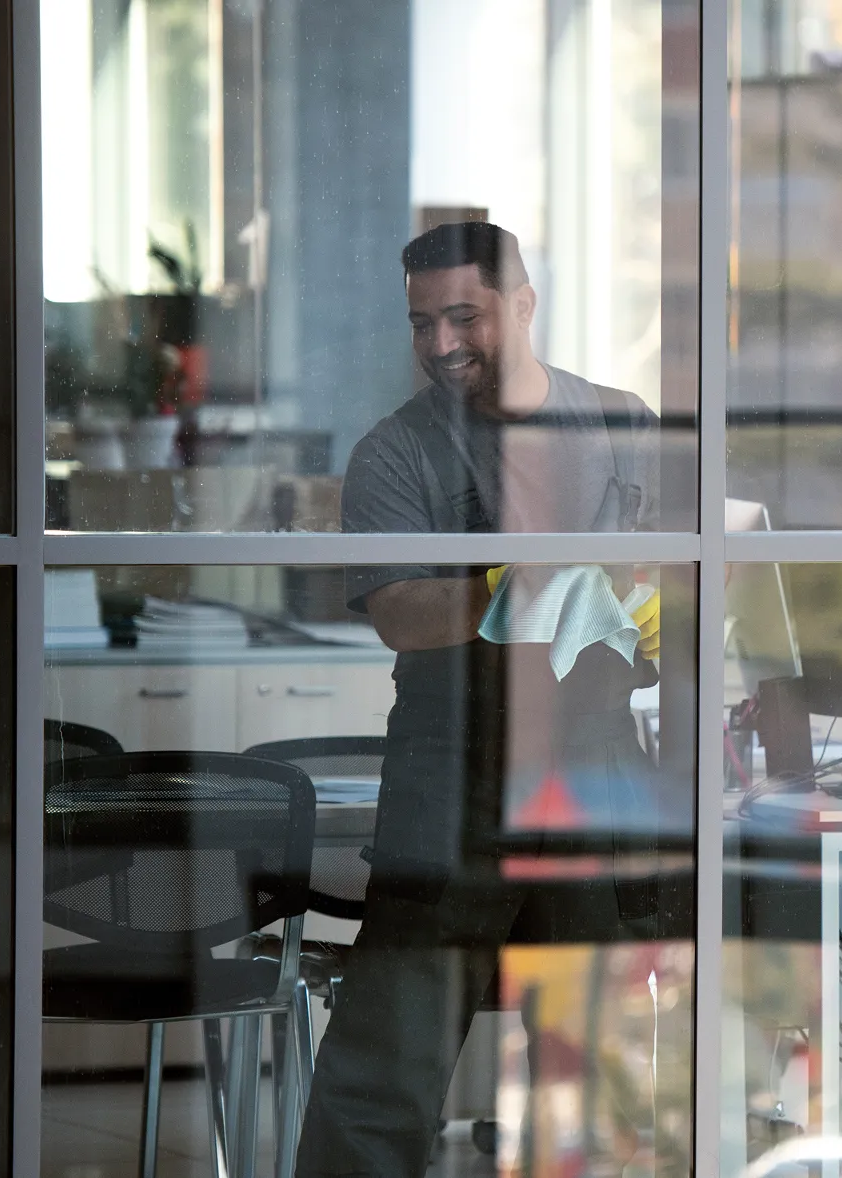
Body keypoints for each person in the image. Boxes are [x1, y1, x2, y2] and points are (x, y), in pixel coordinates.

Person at [295, 222, 664, 1178]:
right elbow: (403, 614)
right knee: (384, 1078)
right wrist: (519, 579)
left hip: (594, 775)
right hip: (450, 782)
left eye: (466, 316)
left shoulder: (623, 420)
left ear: (525, 303)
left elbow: (669, 584)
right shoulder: (395, 454)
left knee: (593, 1084)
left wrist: (675, 617)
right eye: (423, 323)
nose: (443, 343)